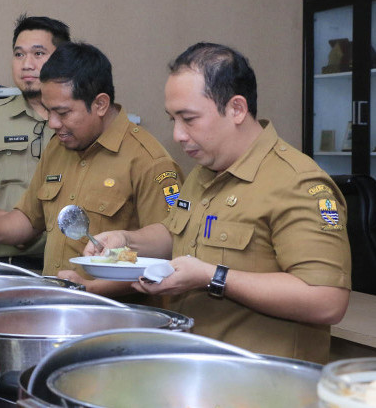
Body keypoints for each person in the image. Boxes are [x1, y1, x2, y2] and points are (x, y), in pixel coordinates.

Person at [85, 42, 351, 363]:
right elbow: (177, 236)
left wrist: (214, 277)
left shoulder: (297, 183)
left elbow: (326, 300)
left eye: (189, 119)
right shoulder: (205, 171)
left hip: (263, 384)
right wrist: (126, 241)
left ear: (236, 109)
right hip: (196, 367)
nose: (178, 135)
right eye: (172, 119)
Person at [0, 42, 182, 297]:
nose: (52, 123)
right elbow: (28, 218)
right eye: (48, 111)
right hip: (57, 305)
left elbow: (168, 251)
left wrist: (90, 288)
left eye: (63, 112)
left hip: (116, 316)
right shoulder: (58, 147)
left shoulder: (149, 161)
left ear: (100, 104)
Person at [0, 16, 70, 271]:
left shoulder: (81, 120)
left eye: (38, 53)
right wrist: (13, 226)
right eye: (19, 54)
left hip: (71, 267)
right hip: (8, 266)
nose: (26, 64)